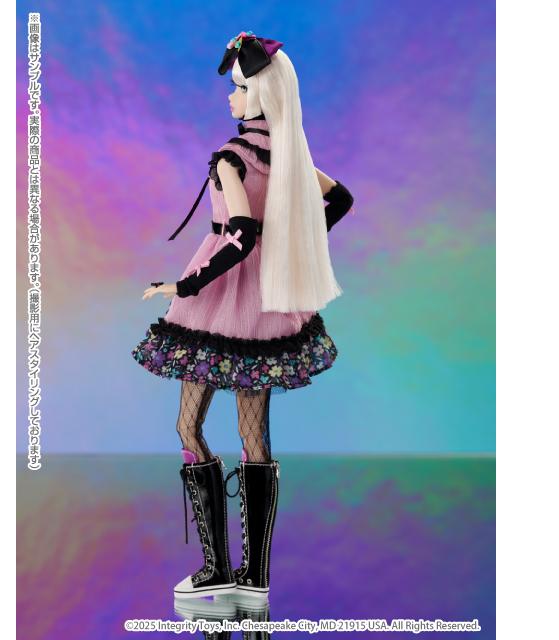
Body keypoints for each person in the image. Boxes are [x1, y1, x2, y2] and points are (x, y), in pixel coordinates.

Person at [131, 32, 354, 600]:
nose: (231, 98)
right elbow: (341, 199)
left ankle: (217, 568)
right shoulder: (292, 156)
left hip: (217, 299)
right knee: (254, 437)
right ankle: (254, 578)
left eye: (238, 87)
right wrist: (294, 243)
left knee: (189, 427)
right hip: (267, 305)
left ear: (259, 95)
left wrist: (183, 284)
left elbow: (241, 234)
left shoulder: (232, 156)